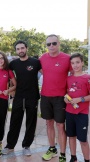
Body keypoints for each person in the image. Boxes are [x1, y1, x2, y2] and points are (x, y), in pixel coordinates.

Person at [2, 40, 41, 156]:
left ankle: (26, 146)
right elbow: (3, 72)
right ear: (16, 51)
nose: (20, 50)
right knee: (15, 122)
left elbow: (47, 74)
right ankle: (10, 146)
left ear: (26, 48)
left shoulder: (35, 62)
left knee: (31, 123)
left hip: (32, 97)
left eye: (22, 48)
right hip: (18, 96)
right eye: (18, 49)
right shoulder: (13, 64)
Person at [40, 34, 71, 162]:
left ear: (59, 44)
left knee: (60, 125)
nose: (51, 46)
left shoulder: (67, 58)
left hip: (60, 98)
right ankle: (52, 149)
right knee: (49, 123)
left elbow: (74, 74)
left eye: (54, 43)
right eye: (48, 44)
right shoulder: (42, 58)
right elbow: (43, 71)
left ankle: (63, 154)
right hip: (45, 96)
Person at [64, 53, 90, 162]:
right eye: (73, 63)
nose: (75, 65)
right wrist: (66, 99)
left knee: (83, 140)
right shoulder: (68, 78)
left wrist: (80, 99)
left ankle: (87, 159)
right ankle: (73, 158)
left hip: (82, 114)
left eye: (77, 62)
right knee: (71, 137)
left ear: (82, 62)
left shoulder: (87, 78)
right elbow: (66, 93)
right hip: (69, 112)